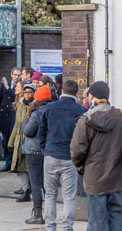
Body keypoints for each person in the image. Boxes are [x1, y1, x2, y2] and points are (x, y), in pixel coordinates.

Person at [71, 81, 122, 231]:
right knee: (117, 219)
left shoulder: (86, 119)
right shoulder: (120, 116)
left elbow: (77, 150)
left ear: (92, 96)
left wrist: (81, 167)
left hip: (95, 179)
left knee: (97, 222)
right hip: (116, 178)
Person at [38, 79, 86, 231]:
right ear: (76, 93)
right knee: (69, 197)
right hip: (69, 158)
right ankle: (67, 227)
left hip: (51, 154)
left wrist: (45, 149)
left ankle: (50, 227)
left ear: (62, 91)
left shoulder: (50, 107)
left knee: (50, 194)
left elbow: (41, 131)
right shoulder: (80, 111)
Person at [23, 85, 53, 225]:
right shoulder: (53, 110)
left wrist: (25, 123)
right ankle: (50, 214)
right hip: (47, 151)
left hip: (33, 152)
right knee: (47, 184)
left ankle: (38, 214)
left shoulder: (36, 112)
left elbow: (28, 131)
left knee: (35, 183)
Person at [8, 83, 34, 203]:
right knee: (20, 167)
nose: (28, 95)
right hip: (19, 140)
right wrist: (11, 142)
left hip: (31, 141)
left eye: (30, 92)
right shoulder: (20, 106)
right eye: (25, 92)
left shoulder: (35, 107)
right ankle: (25, 190)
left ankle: (32, 189)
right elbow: (16, 125)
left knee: (30, 167)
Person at [0, 67, 21, 172]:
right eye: (15, 75)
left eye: (19, 75)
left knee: (14, 141)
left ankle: (14, 164)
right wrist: (0, 109)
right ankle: (7, 163)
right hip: (5, 117)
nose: (17, 77)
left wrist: (7, 87)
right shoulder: (5, 84)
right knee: (5, 141)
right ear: (11, 75)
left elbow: (16, 97)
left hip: (15, 117)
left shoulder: (21, 86)